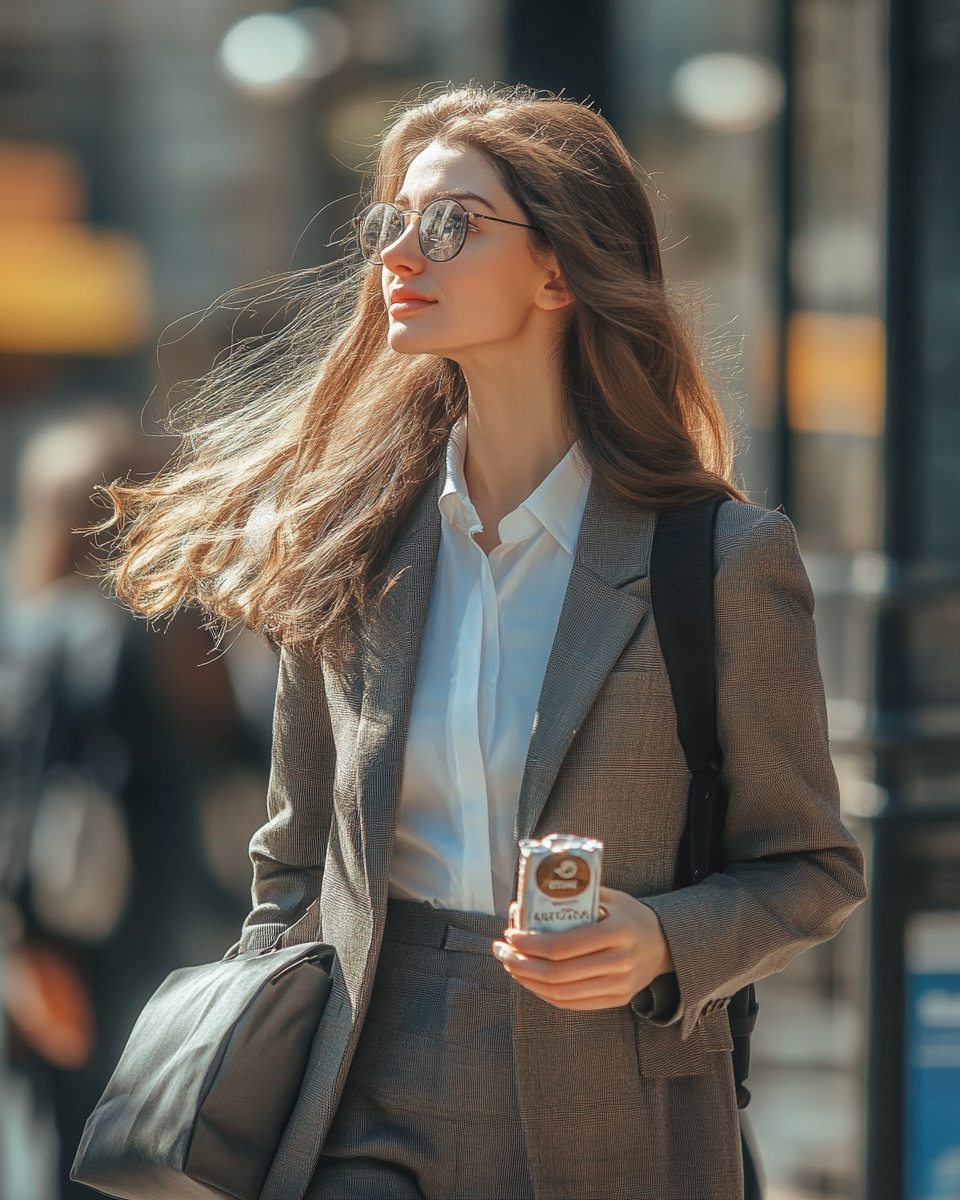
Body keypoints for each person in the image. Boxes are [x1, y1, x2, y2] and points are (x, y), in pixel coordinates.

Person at [100, 85, 867, 1200]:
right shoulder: (351, 544)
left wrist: (661, 940)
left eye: (450, 223)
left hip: (619, 1115)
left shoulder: (722, 560)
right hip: (362, 1080)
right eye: (392, 223)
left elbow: (812, 868)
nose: (401, 254)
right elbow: (295, 858)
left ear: (560, 271)